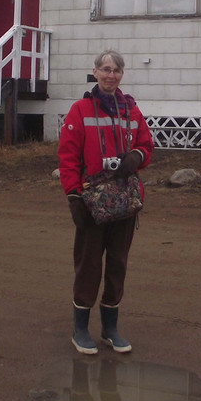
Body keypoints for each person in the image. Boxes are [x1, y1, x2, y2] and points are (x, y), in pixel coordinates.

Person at [58, 49, 153, 354]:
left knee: (117, 265)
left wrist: (135, 157)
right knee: (88, 266)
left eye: (117, 70)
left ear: (121, 75)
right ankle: (80, 329)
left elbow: (146, 144)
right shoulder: (79, 110)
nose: (111, 75)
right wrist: (73, 196)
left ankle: (110, 328)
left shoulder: (131, 110)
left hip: (124, 201)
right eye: (106, 69)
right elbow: (68, 156)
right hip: (92, 202)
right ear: (95, 72)